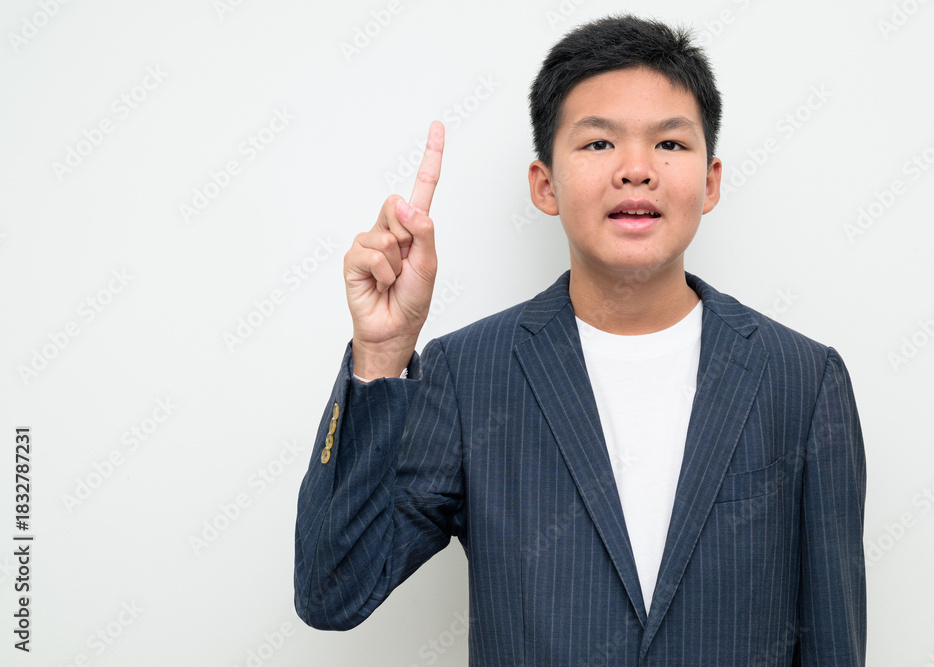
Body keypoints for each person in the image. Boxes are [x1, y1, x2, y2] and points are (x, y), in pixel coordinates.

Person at [294, 14, 866, 665]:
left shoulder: (802, 380)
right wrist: (381, 353)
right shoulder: (470, 373)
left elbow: (832, 642)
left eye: (669, 143)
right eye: (598, 143)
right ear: (546, 186)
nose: (636, 170)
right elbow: (332, 592)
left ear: (709, 182)